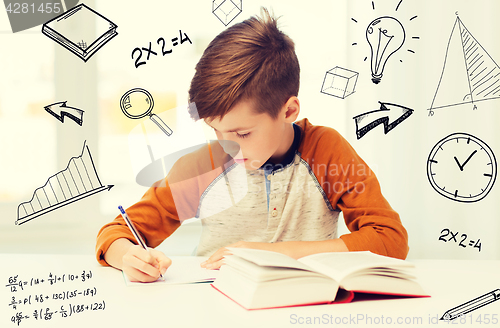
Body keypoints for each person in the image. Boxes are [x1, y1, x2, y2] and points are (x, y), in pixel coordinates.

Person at [95, 8, 409, 282]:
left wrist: (272, 254)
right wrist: (128, 257)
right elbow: (115, 234)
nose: (227, 146)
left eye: (243, 134)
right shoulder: (205, 165)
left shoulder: (326, 151)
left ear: (289, 111)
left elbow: (390, 240)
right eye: (216, 130)